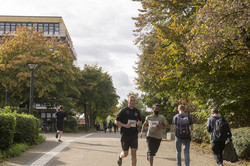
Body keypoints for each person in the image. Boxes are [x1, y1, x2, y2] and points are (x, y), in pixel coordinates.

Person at [115, 95, 142, 166]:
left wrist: (139, 123)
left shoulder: (137, 111)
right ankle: (120, 156)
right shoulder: (123, 111)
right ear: (128, 102)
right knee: (125, 154)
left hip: (134, 135)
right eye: (131, 101)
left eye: (133, 101)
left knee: (134, 153)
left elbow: (139, 121)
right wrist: (125, 125)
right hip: (125, 135)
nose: (132, 102)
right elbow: (116, 122)